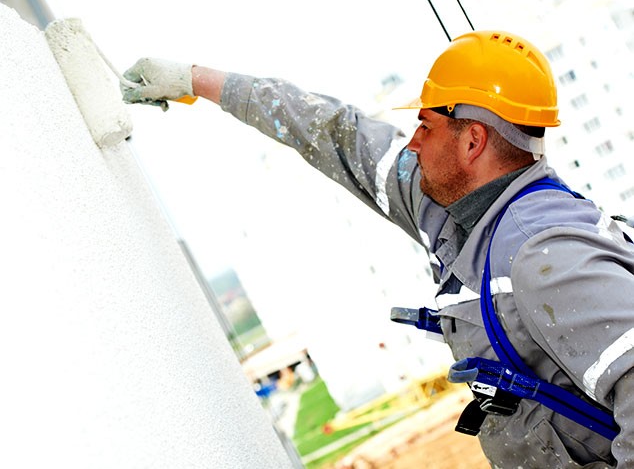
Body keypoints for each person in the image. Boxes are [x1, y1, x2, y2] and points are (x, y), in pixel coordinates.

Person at [121, 30, 634, 467]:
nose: (412, 142)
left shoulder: (544, 251)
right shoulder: (451, 210)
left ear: (472, 141)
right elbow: (334, 133)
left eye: (425, 126)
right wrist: (193, 80)